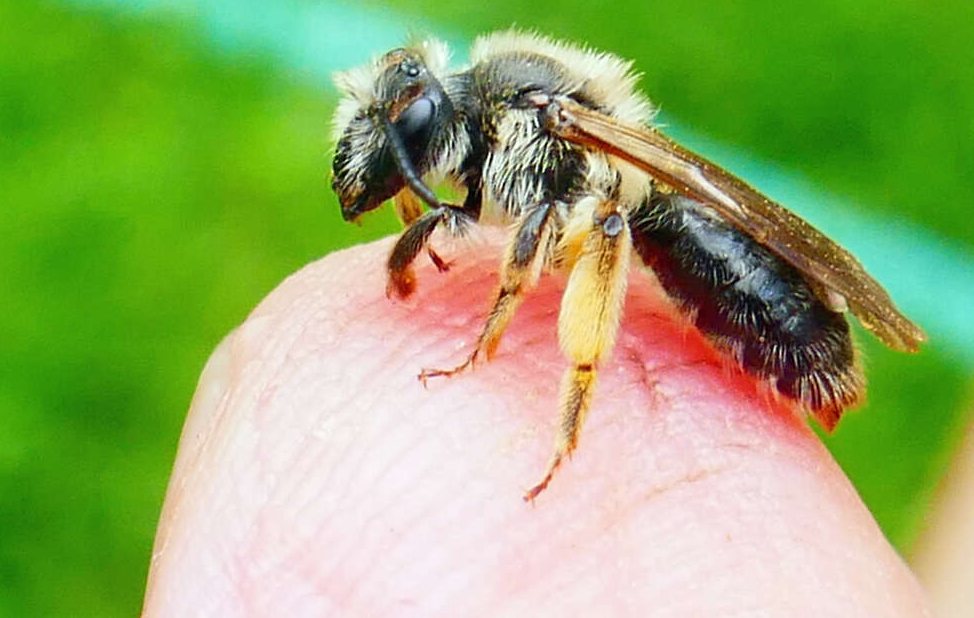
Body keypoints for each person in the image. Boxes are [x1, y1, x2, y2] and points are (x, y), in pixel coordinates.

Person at [144, 235, 932, 616]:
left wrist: (491, 332)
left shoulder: (534, 133)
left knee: (609, 230)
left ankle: (567, 433)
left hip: (768, 308)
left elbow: (568, 226)